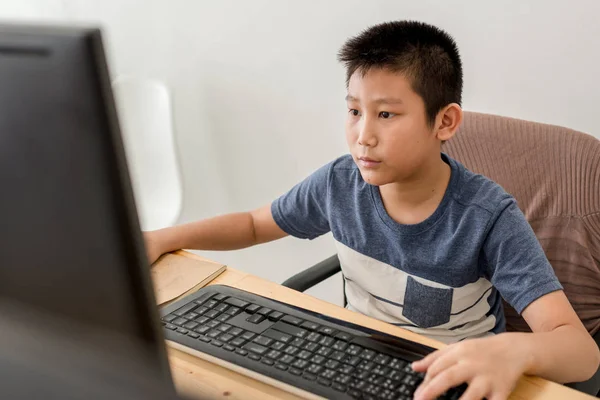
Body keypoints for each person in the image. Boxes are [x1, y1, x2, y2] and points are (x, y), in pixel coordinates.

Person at [144, 20, 600, 399]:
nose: (363, 135)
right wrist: (164, 238)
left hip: (451, 380)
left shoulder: (487, 216)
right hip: (356, 363)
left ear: (445, 122)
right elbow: (252, 224)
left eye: (385, 115)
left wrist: (515, 352)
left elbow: (580, 349)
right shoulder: (340, 182)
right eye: (353, 111)